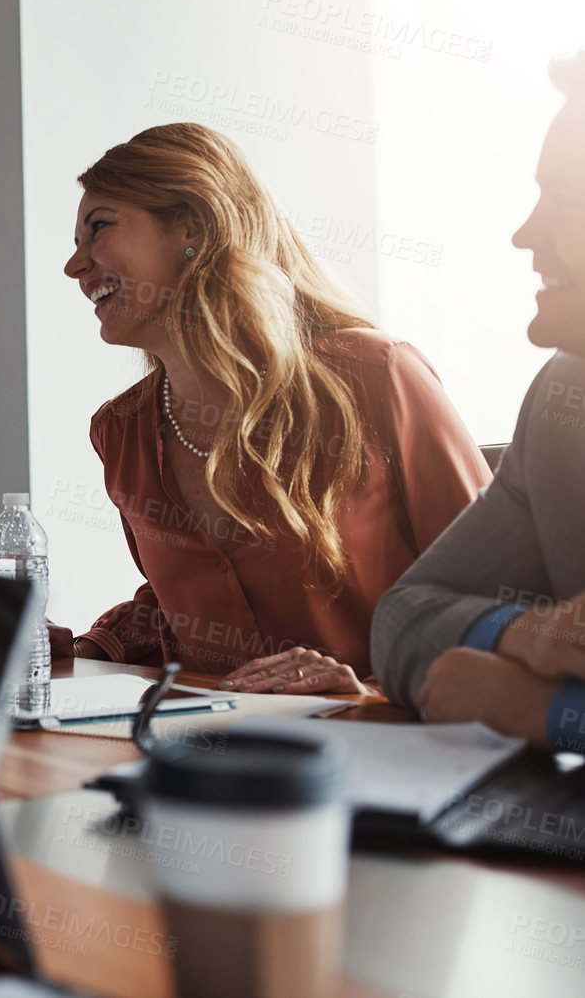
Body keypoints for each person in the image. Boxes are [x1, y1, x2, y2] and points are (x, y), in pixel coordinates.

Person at [55, 123, 490, 692]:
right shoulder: (121, 431)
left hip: (391, 749)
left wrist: (373, 692)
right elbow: (177, 606)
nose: (75, 266)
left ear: (193, 225)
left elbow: (492, 598)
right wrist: (77, 650)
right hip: (212, 757)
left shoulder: (377, 376)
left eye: (99, 228)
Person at [373, 54, 585, 753]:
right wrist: (523, 635)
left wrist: (547, 711)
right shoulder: (562, 402)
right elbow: (402, 619)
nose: (526, 234)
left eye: (565, 200)